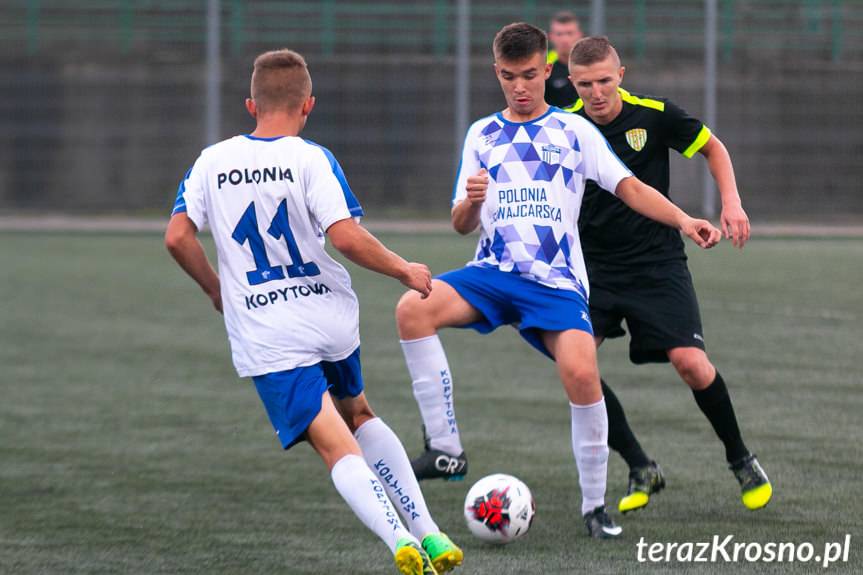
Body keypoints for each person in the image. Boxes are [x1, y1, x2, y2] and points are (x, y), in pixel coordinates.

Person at [396, 22, 721, 539]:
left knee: (582, 374)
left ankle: (595, 508)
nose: (519, 87)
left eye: (529, 75)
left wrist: (684, 219)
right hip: (493, 273)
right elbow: (461, 224)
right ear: (496, 73)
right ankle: (446, 449)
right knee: (412, 309)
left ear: (547, 70)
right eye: (508, 77)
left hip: (556, 282)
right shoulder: (482, 134)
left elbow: (630, 188)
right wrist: (472, 202)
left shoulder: (575, 132)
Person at [164, 49, 462, 575]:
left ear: (251, 104)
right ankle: (432, 534)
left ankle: (401, 544)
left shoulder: (211, 161)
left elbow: (177, 237)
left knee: (334, 445)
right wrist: (402, 270)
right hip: (329, 316)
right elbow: (343, 235)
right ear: (309, 105)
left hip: (268, 329)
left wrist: (216, 288)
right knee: (360, 415)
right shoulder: (311, 157)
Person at [564, 36, 772, 513]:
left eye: (603, 81)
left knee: (692, 364)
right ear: (573, 83)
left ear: (621, 74)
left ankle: (741, 459)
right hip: (590, 269)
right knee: (578, 372)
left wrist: (732, 202)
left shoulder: (654, 115)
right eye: (584, 84)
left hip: (656, 263)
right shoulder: (564, 126)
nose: (596, 92)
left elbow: (713, 149)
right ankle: (640, 465)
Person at [544, 10, 583, 108]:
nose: (565, 39)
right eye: (559, 34)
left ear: (579, 35)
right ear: (551, 37)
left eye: (569, 33)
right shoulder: (543, 66)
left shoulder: (590, 64)